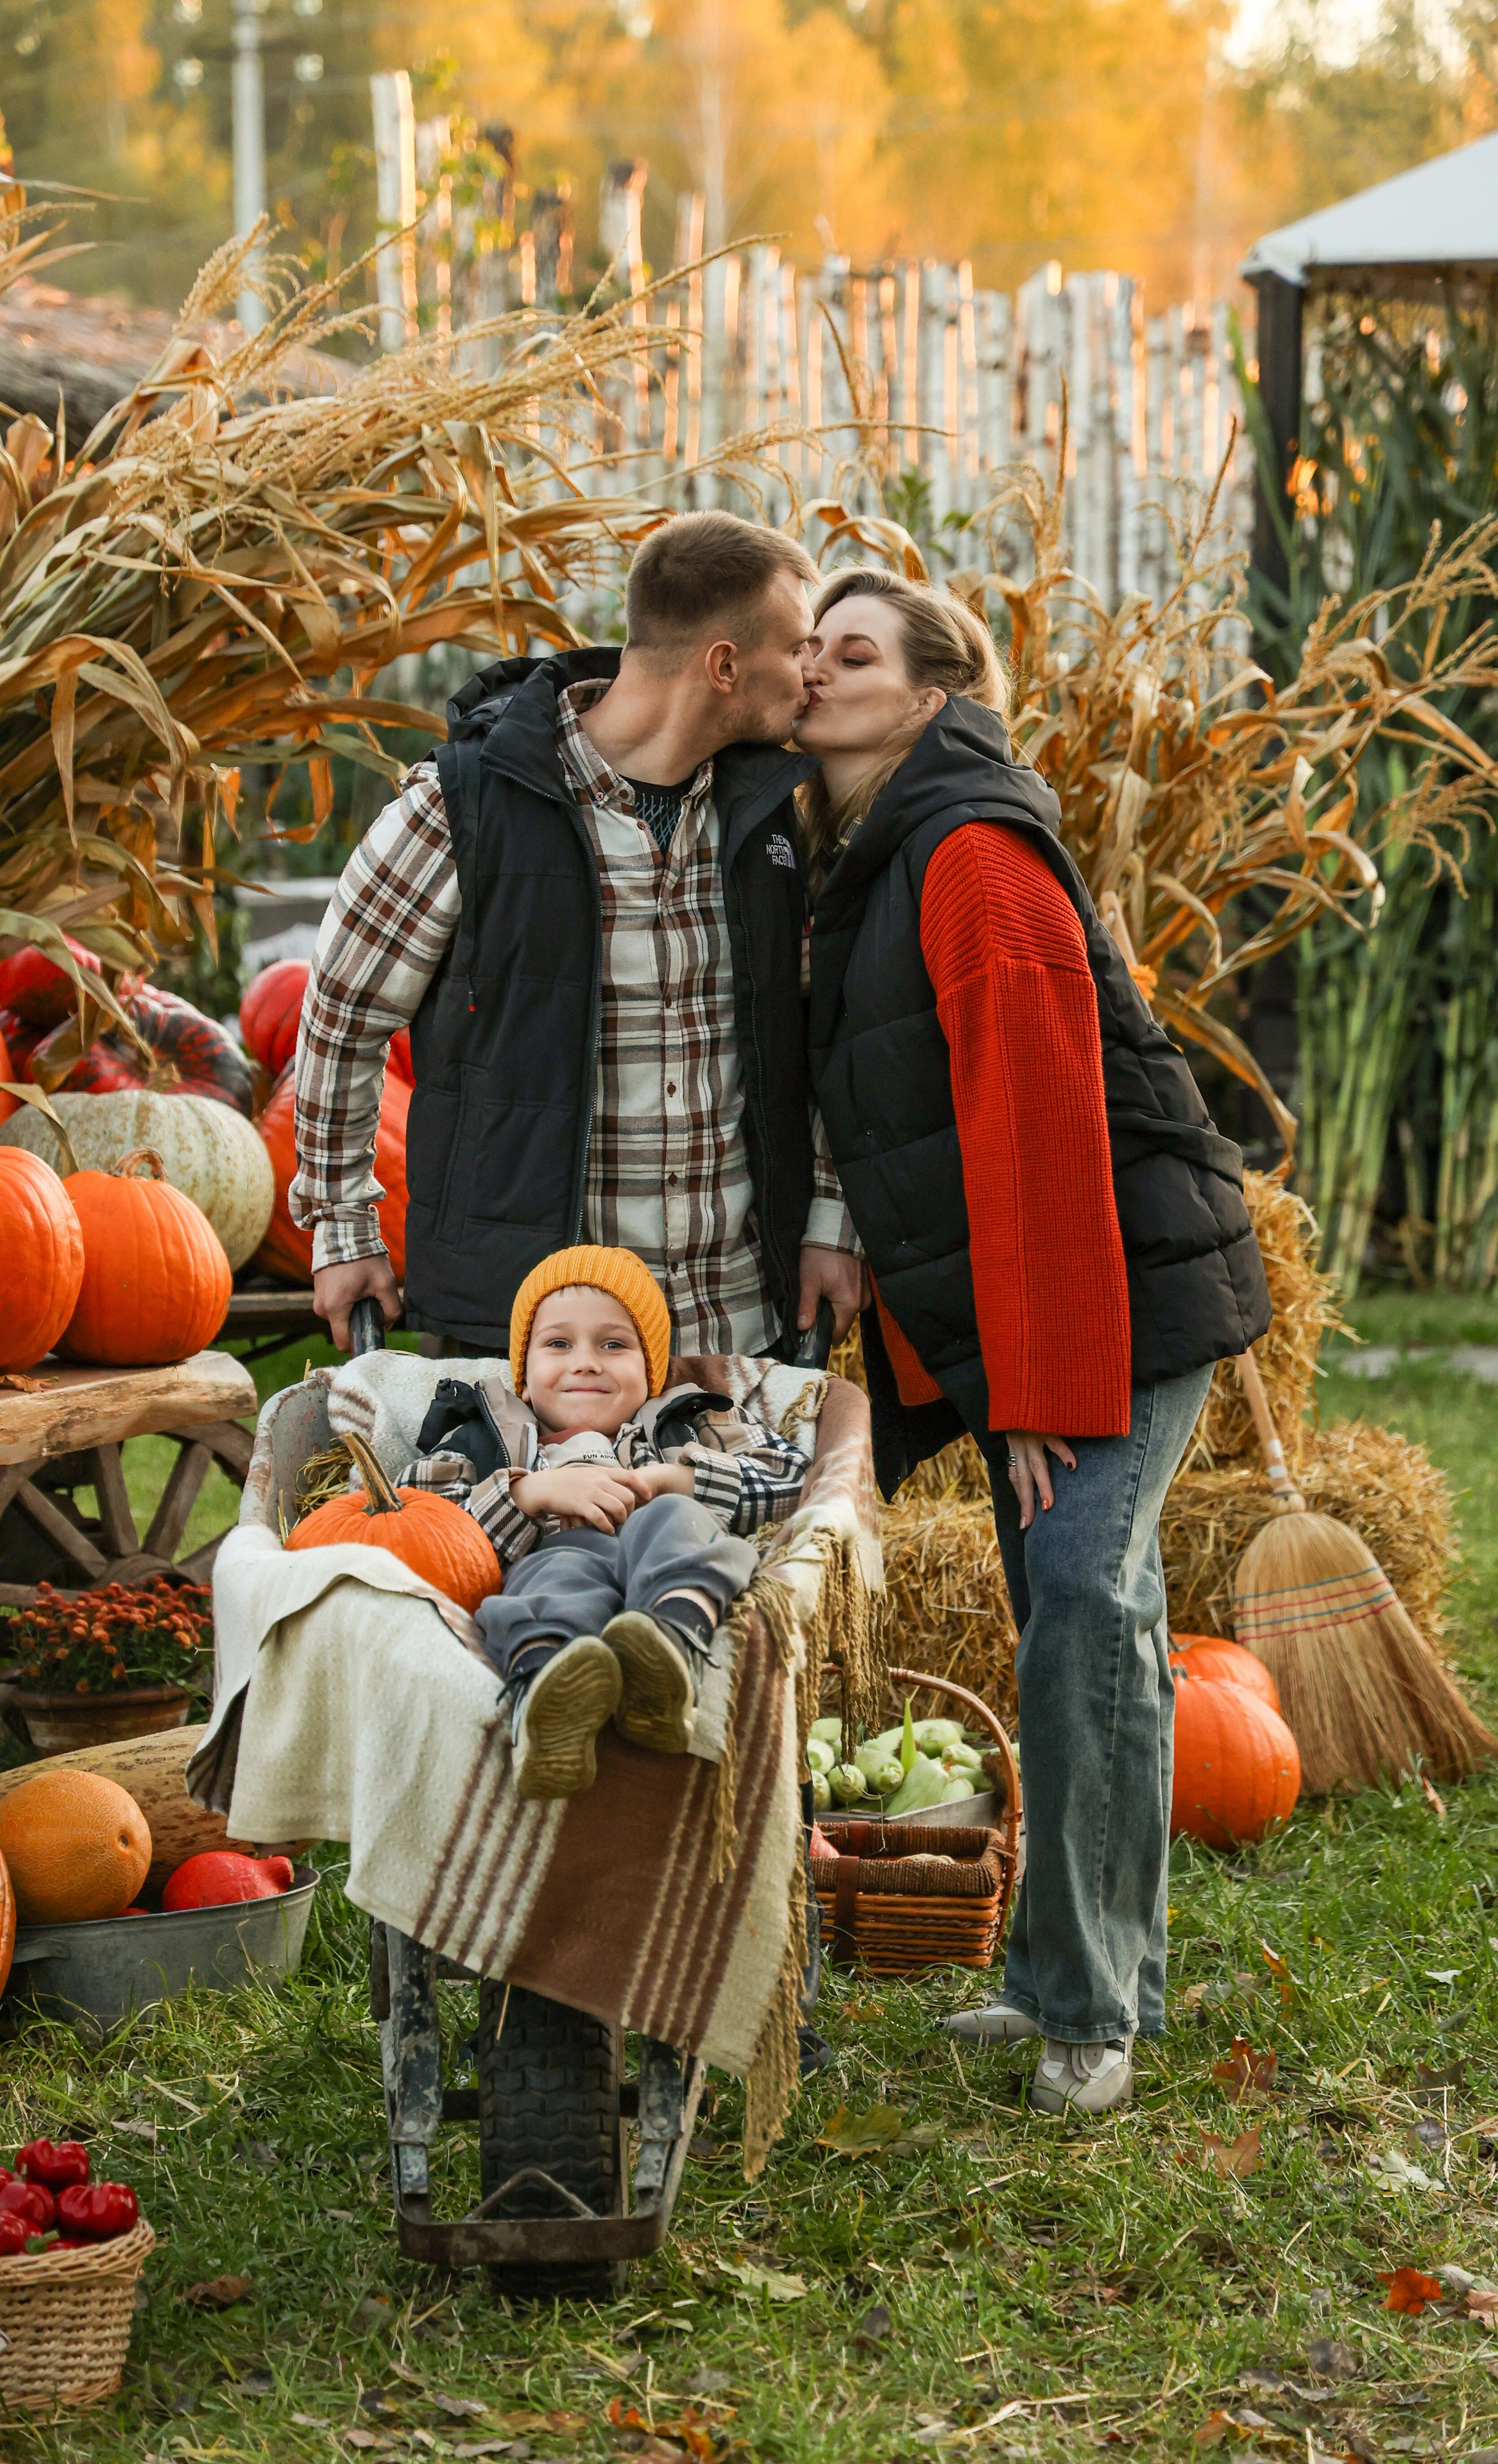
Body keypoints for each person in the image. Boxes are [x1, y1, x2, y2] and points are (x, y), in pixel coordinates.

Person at [797, 569, 1272, 2116]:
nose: (813, 668)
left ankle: (1083, 2009)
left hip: (1115, 1288)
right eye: (808, 644)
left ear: (930, 695)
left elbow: (1039, 1139)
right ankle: (1086, 1976)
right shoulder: (876, 851)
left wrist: (1035, 1383)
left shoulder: (971, 859)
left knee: (1076, 1601)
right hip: (1071, 1288)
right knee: (1093, 1615)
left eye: (849, 651)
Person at [290, 510, 864, 1363]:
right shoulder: (462, 809)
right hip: (542, 1342)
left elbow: (821, 1038)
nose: (813, 675)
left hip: (736, 1328)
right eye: (796, 649)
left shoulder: (770, 819)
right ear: (724, 665)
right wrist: (344, 1229)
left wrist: (829, 1218)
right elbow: (342, 1017)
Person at [397, 1245, 812, 1801]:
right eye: (558, 1344)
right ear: (524, 1374)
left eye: (613, 1345)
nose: (586, 1362)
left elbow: (797, 1477)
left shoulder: (687, 1423)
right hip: (557, 1558)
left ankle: (667, 1655)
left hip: (662, 1563)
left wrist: (683, 1481)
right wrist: (526, 1492)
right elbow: (415, 1513)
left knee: (675, 1519)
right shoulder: (487, 1431)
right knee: (552, 1575)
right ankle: (550, 1702)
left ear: (651, 1372)